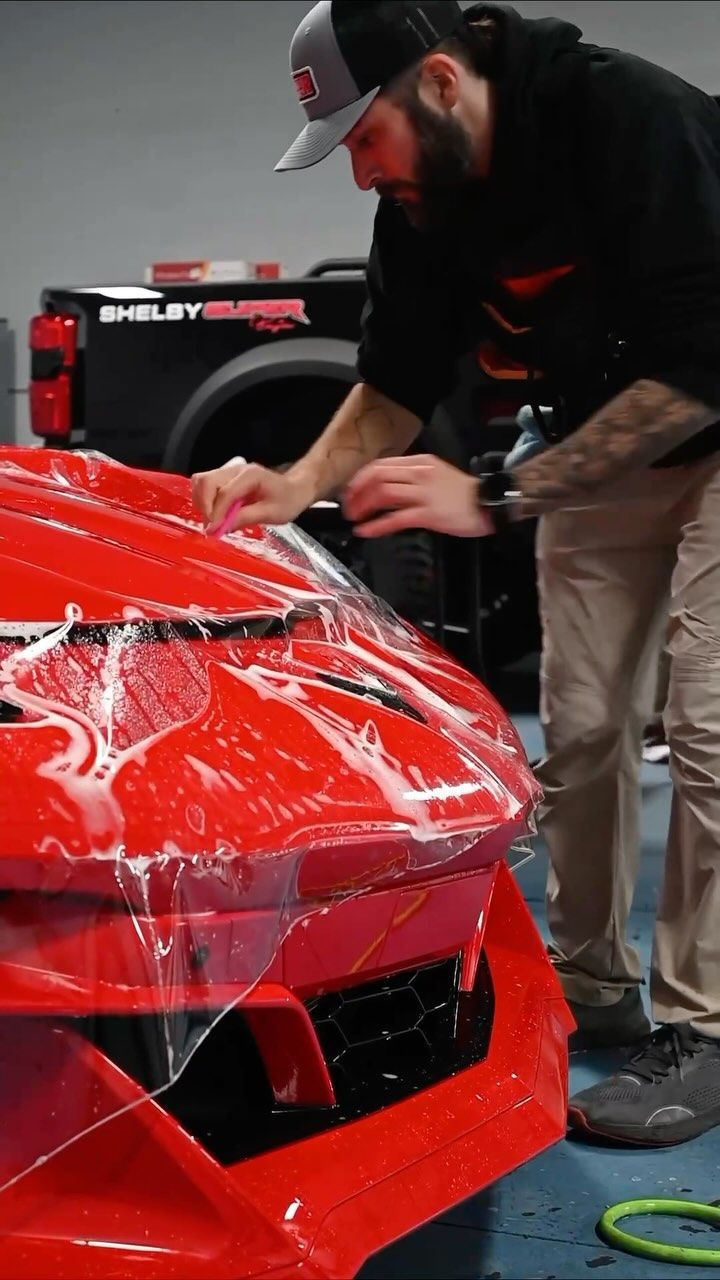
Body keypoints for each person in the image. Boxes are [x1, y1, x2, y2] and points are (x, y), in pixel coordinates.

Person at [192, 1, 720, 1146]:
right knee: (580, 730)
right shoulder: (419, 202)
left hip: (713, 415)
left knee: (711, 721)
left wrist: (494, 495)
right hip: (599, 438)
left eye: (364, 138)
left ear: (438, 81)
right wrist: (290, 480)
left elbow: (701, 365)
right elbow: (392, 380)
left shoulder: (631, 118)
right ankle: (593, 982)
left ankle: (706, 1024)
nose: (360, 175)